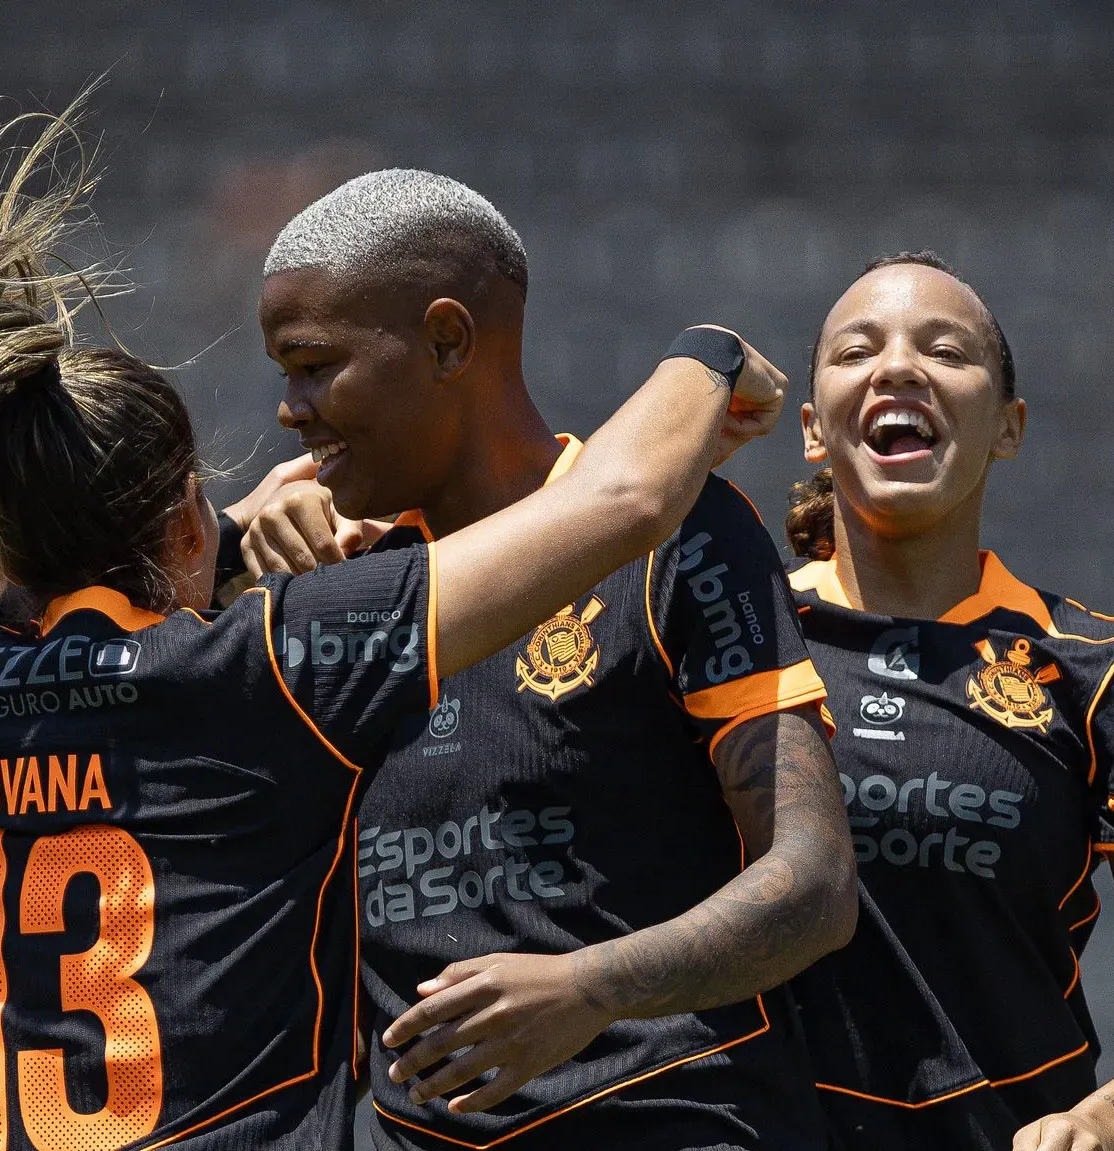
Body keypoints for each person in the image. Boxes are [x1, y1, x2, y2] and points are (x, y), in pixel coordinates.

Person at [0, 98, 792, 1151]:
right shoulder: (271, 661)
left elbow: (68, 605)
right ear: (184, 522)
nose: (289, 409)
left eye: (309, 365)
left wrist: (223, 536)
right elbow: (624, 498)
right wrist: (707, 353)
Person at [230, 170, 858, 1150]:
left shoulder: (678, 535)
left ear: (447, 340)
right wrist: (231, 547)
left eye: (313, 366)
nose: (288, 408)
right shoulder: (326, 582)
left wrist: (589, 986)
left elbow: (814, 885)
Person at [782, 251, 1114, 1151]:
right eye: (856, 351)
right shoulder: (728, 638)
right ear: (812, 428)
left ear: (1008, 426)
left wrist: (1097, 1124)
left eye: (943, 350)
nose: (896, 367)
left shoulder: (1106, 667)